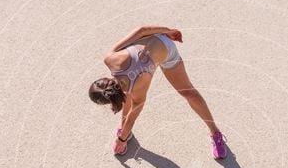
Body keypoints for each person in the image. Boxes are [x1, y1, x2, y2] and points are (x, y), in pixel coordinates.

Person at [88, 25, 227, 158]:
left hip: (167, 50)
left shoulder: (137, 85)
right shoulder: (109, 58)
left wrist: (121, 139)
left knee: (188, 92)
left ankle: (215, 132)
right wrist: (168, 30)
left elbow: (134, 113)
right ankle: (124, 129)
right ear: (105, 78)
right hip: (158, 37)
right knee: (127, 91)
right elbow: (142, 30)